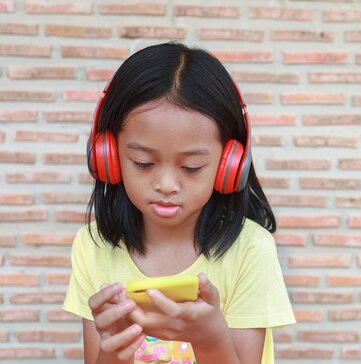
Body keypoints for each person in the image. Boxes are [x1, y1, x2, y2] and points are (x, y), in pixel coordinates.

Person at [63, 42, 296, 364]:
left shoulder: (251, 249)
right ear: (109, 157)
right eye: (143, 163)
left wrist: (210, 339)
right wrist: (115, 349)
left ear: (231, 164)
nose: (167, 185)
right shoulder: (93, 247)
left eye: (191, 168)